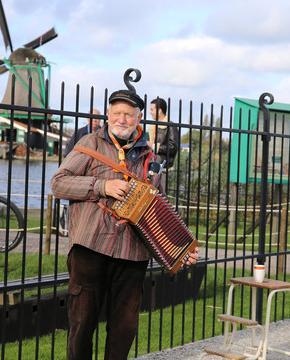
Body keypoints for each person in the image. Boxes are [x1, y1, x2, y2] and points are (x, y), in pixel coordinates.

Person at [51, 89, 199, 360]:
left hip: (132, 255)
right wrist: (102, 185)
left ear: (139, 118)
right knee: (82, 325)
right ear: (108, 114)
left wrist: (181, 250)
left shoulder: (150, 159)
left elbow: (157, 210)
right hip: (90, 248)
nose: (122, 119)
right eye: (117, 113)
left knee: (124, 329)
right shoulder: (89, 144)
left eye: (128, 114)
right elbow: (58, 183)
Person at [147, 98, 179, 191]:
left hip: (163, 167)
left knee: (160, 194)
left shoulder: (170, 126)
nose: (150, 112)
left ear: (159, 111)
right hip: (151, 165)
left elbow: (173, 147)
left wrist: (153, 146)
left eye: (152, 109)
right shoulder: (153, 126)